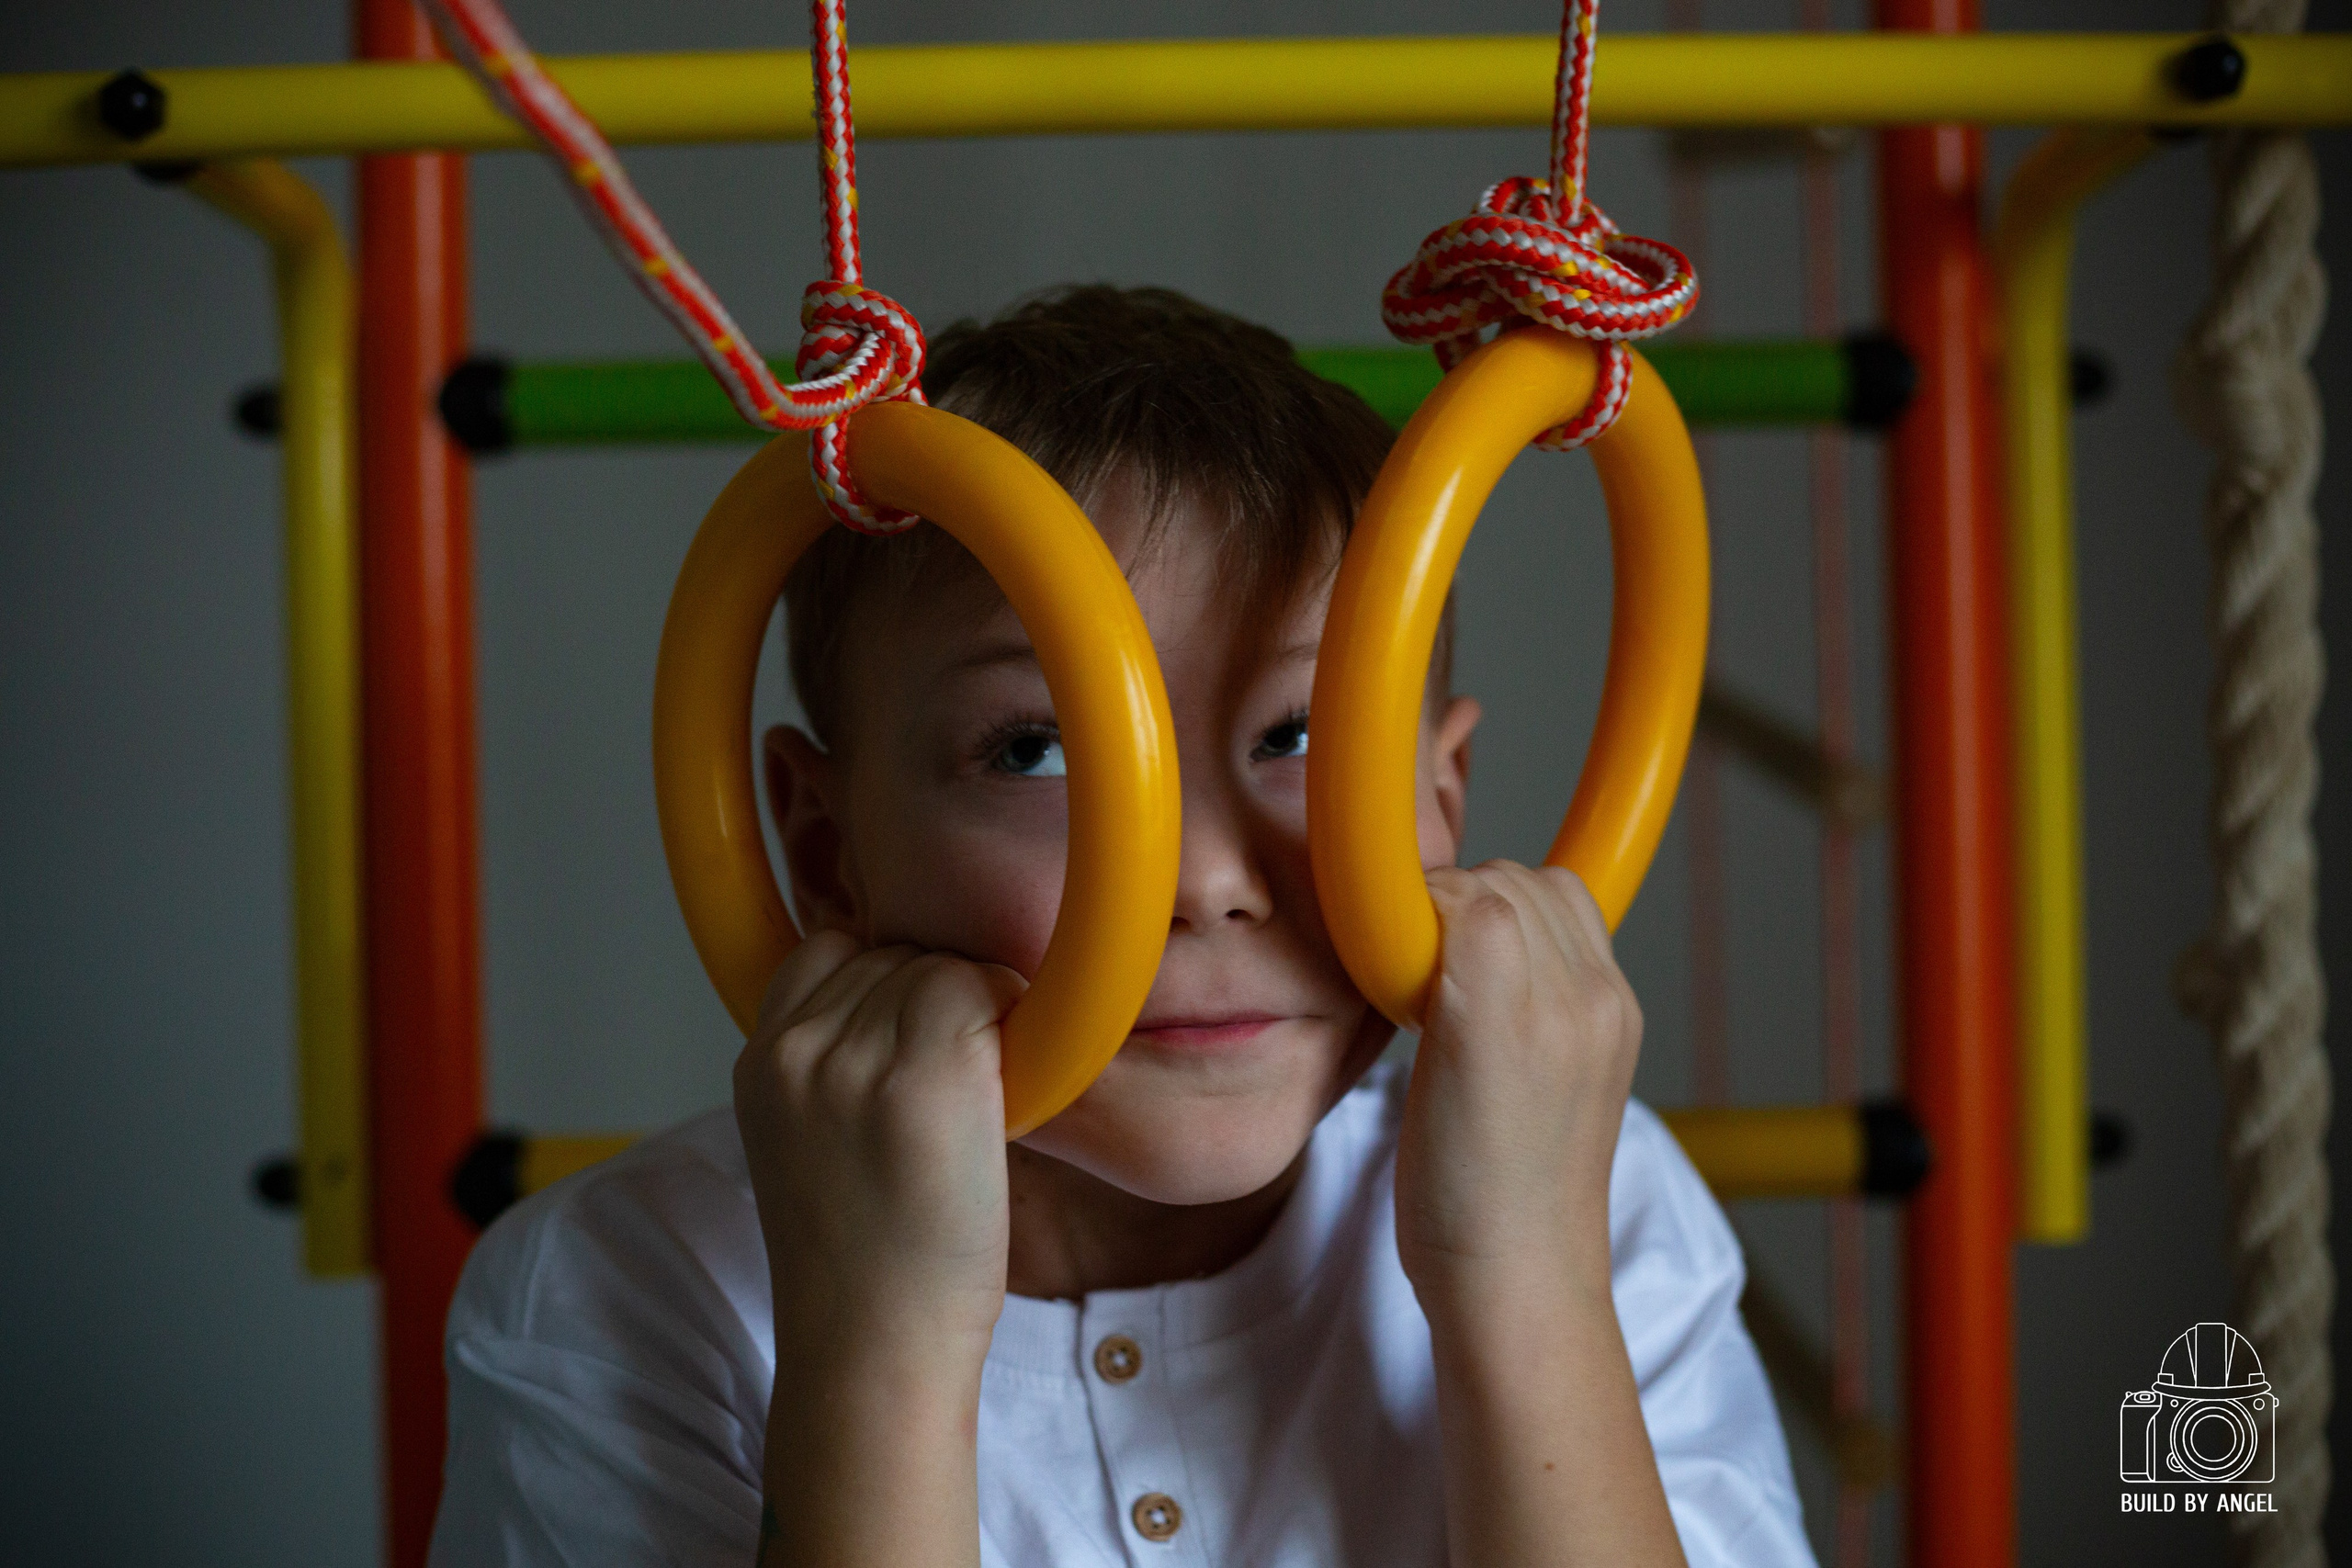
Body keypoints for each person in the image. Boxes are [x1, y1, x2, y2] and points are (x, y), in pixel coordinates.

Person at [428, 286, 1813, 1568]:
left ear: (1443, 802)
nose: (1202, 878)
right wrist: (877, 1350)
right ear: (823, 849)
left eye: (1302, 734)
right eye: (1037, 749)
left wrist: (1523, 1275)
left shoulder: (1591, 1199)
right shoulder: (611, 1296)